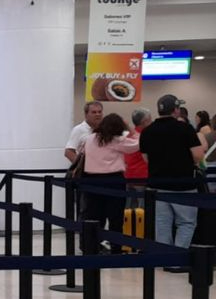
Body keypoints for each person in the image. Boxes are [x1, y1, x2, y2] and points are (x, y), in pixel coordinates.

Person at [140, 94, 203, 255]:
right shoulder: (185, 129)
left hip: (157, 184)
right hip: (184, 185)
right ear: (176, 110)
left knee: (162, 223)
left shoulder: (147, 131)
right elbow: (197, 155)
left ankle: (165, 257)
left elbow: (146, 158)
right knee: (186, 223)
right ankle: (178, 257)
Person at [81, 113, 140, 244]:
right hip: (113, 180)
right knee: (115, 217)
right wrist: (130, 129)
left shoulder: (90, 139)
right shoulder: (116, 140)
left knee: (93, 215)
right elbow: (138, 143)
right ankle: (115, 248)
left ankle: (91, 245)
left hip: (91, 180)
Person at [125, 108, 151, 206]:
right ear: (145, 121)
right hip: (142, 176)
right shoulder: (146, 137)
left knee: (129, 208)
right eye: (150, 120)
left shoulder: (128, 136)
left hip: (129, 176)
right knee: (142, 209)